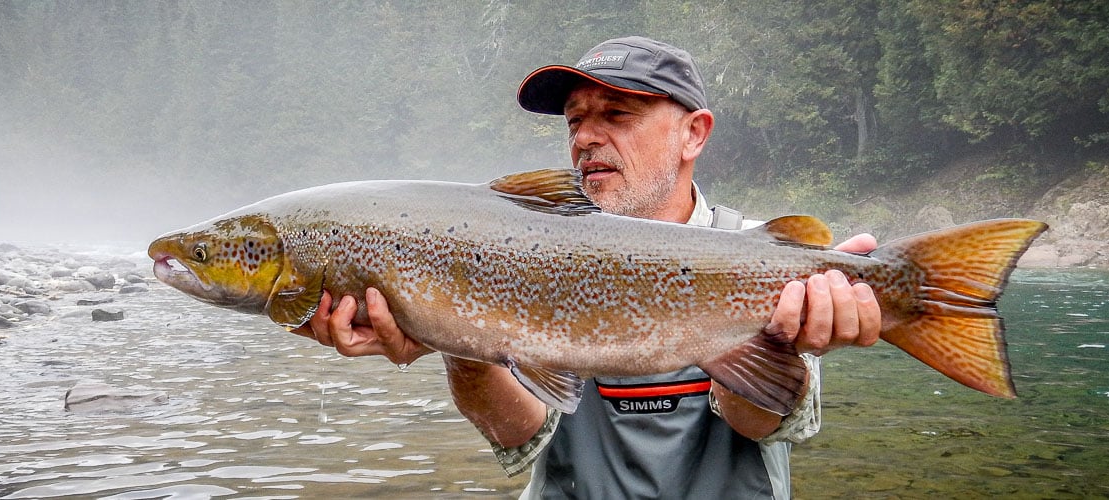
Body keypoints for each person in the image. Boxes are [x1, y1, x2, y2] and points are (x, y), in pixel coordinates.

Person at [294, 36, 883, 499]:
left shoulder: (761, 257)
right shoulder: (513, 249)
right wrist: (459, 336)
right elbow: (519, 438)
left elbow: (769, 425)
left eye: (617, 115)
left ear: (693, 134)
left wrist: (783, 339)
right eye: (575, 121)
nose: (586, 139)